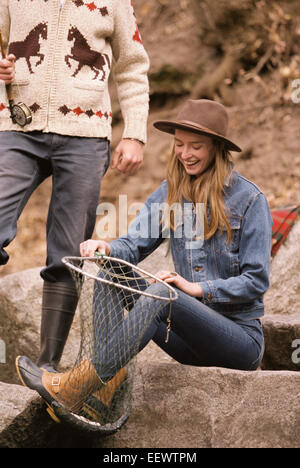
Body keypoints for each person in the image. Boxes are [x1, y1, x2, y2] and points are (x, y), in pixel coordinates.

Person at [16, 99, 273, 415]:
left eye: (196, 147)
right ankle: (103, 388)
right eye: (179, 144)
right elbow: (133, 245)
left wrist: (196, 289)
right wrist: (107, 248)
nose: (185, 154)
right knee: (111, 271)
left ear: (218, 148)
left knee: (160, 294)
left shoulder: (250, 200)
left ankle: (78, 385)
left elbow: (256, 281)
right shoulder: (171, 191)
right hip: (189, 343)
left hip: (238, 341)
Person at [0, 0, 150, 373]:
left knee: (68, 253)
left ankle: (47, 366)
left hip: (85, 138)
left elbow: (132, 65)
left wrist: (134, 134)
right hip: (18, 129)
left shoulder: (114, 2)